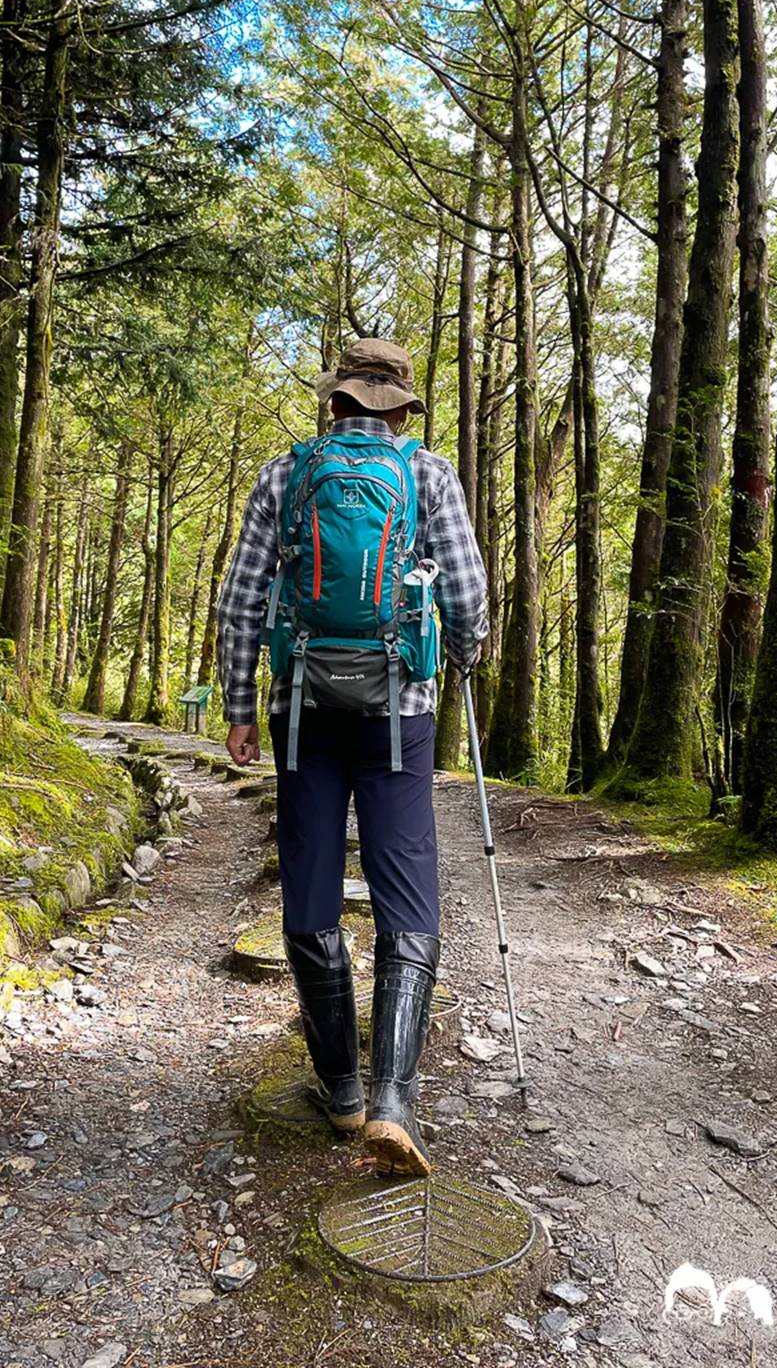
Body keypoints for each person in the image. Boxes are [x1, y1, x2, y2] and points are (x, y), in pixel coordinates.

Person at [216, 337, 488, 1175]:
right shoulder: (430, 475)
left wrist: (238, 710)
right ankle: (393, 1104)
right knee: (407, 889)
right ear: (402, 408)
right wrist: (463, 661)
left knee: (309, 889)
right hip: (397, 713)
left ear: (335, 401)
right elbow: (468, 595)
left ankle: (338, 1088)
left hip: (303, 710)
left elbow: (241, 601)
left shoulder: (284, 476)